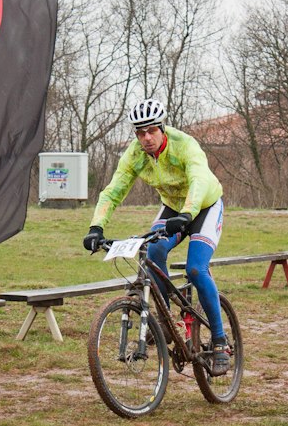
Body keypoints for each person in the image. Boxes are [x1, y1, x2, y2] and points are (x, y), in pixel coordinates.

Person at [82, 98, 230, 374]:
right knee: (154, 251)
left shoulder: (184, 144)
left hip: (205, 206)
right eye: (140, 133)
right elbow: (113, 192)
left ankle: (220, 340)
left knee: (196, 269)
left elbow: (198, 180)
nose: (146, 138)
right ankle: (165, 320)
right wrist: (96, 227)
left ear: (162, 128)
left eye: (151, 130)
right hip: (173, 208)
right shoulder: (135, 155)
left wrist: (187, 214)